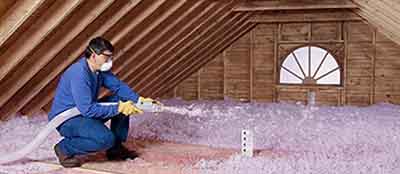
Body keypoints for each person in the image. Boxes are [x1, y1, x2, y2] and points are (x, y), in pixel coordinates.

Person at [48, 37, 159, 168]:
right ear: (94, 55)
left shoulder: (99, 70)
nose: (110, 61)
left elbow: (117, 86)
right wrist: (119, 108)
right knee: (105, 139)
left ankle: (115, 149)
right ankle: (64, 148)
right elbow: (87, 109)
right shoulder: (79, 74)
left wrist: (138, 100)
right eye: (107, 57)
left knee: (123, 100)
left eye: (111, 57)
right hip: (68, 120)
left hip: (84, 113)